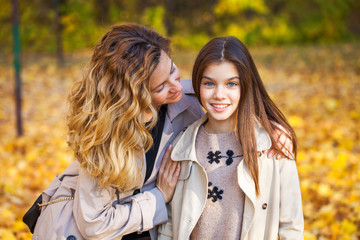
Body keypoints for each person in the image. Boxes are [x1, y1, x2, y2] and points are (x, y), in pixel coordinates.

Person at [30, 24, 293, 240]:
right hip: (78, 231)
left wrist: (270, 128)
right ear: (133, 97)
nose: (176, 87)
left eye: (173, 71)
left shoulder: (186, 96)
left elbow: (230, 95)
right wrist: (158, 197)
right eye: (160, 88)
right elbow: (94, 225)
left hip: (139, 226)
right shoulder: (105, 136)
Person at [157, 36, 304, 240]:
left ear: (245, 85)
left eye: (231, 84)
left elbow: (291, 228)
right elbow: (169, 227)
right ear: (197, 85)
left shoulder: (273, 148)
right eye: (209, 83)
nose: (219, 94)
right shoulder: (182, 148)